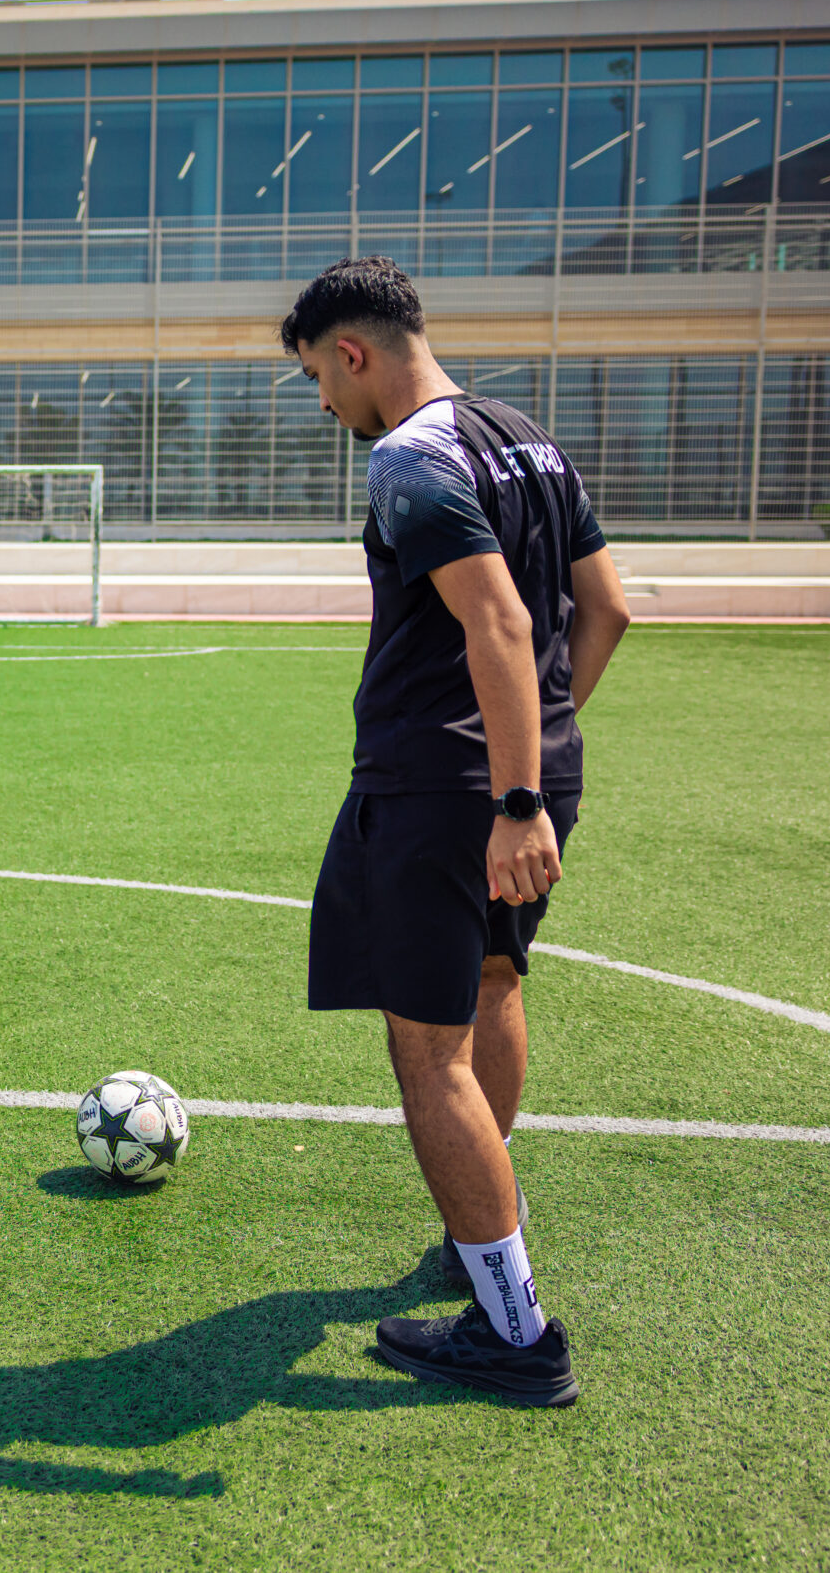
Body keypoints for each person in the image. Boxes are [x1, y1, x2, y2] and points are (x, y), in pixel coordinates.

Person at [284, 257, 630, 1407]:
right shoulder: (529, 438)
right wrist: (540, 756)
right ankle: (480, 1240)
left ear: (352, 352)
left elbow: (500, 620)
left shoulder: (410, 455)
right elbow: (608, 607)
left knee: (428, 1050)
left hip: (442, 788)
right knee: (492, 982)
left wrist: (507, 794)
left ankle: (514, 1334)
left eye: (318, 379)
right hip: (525, 773)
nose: (324, 403)